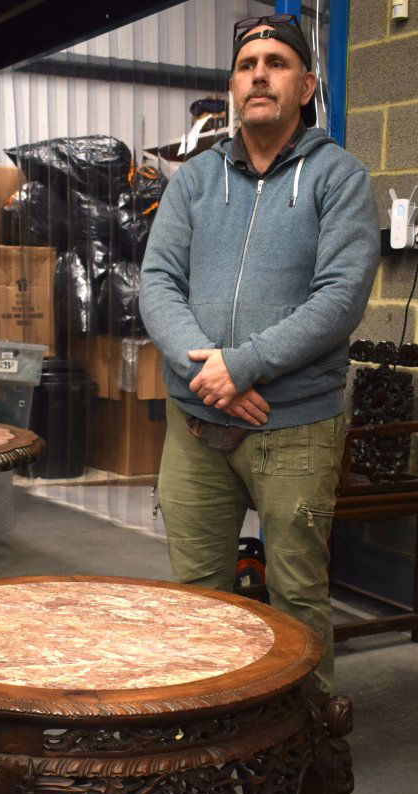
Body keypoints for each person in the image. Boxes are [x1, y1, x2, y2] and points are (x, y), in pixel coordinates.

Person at [139, 14, 380, 695]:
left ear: (304, 85)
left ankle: (309, 765)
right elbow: (157, 282)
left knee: (298, 600)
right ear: (232, 86)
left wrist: (241, 367)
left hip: (294, 426)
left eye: (275, 63)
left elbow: (339, 300)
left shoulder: (339, 179)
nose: (259, 75)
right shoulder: (191, 182)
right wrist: (207, 373)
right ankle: (203, 750)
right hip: (195, 427)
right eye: (247, 65)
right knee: (196, 599)